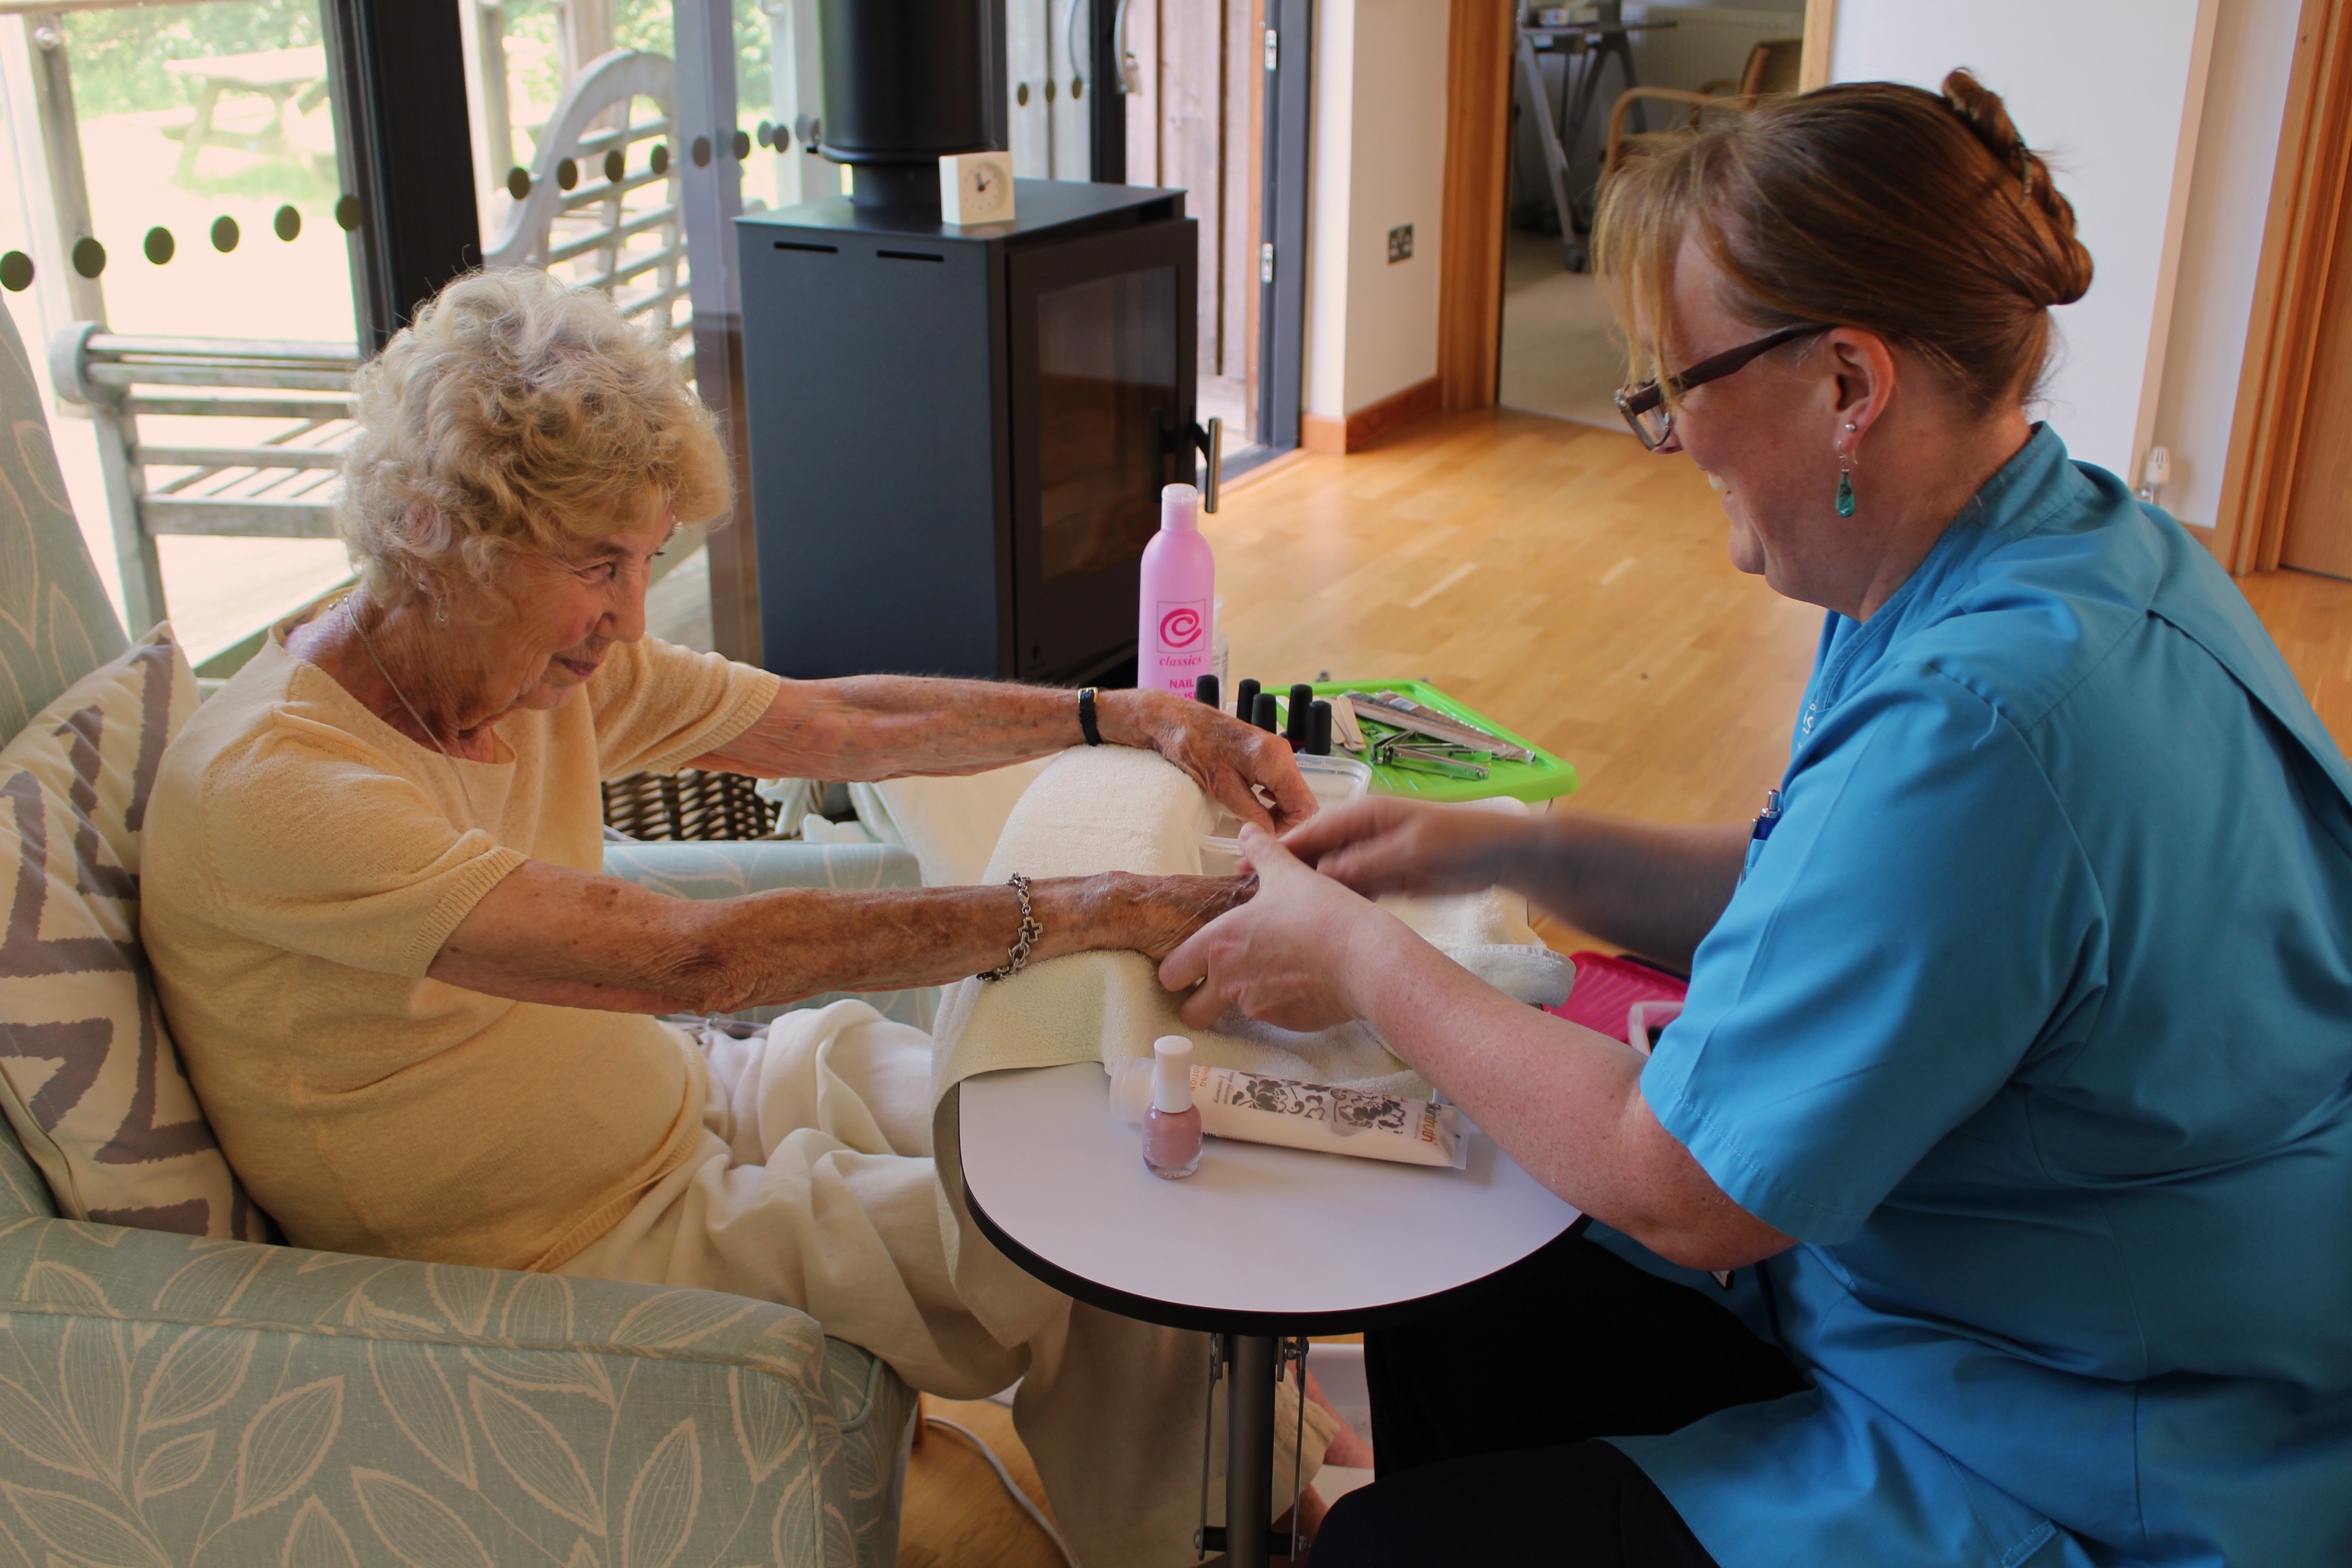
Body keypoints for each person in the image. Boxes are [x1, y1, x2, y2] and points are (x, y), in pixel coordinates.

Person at [1161, 71, 2352, 1568]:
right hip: (2058, 1312)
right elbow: (1828, 887)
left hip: (2092, 1440)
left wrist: (1360, 962)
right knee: (1467, 1256)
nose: (1674, 441)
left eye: (1680, 390)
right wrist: (1509, 843)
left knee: (1393, 1540)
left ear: (1850, 385)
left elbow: (1685, 1189)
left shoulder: (1988, 723)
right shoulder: (2056, 548)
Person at [141, 267, 1338, 1565]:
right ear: (441, 531)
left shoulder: (518, 668)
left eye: (647, 562)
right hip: (570, 1238)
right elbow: (689, 957)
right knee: (1078, 1234)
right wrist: (1094, 909)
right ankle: (1250, 1525)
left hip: (685, 1096)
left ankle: (1254, 1479)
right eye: (599, 566)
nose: (627, 618)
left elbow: (831, 722)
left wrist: (1122, 712)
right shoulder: (280, 787)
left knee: (1072, 1101)